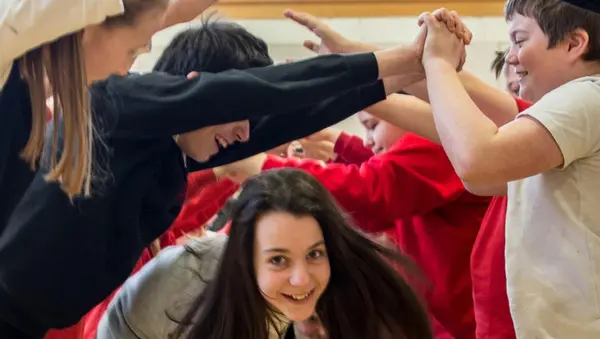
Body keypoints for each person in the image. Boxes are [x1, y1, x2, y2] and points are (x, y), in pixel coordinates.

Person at [0, 15, 471, 338]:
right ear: (200, 92)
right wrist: (395, 59)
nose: (247, 134)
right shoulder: (120, 105)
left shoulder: (177, 151)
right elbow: (265, 94)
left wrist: (413, 69)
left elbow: (291, 116)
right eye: (238, 113)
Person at [419, 1, 600, 337]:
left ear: (574, 44)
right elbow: (483, 176)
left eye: (520, 40)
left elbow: (478, 165)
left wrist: (438, 65)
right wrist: (424, 61)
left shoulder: (587, 96)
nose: (512, 57)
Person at [97, 168, 433, 339]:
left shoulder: (343, 271)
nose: (302, 278)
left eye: (315, 254)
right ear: (245, 256)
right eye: (278, 260)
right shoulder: (195, 281)